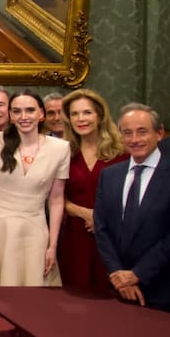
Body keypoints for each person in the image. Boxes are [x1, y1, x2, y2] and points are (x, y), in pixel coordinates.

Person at [0, 91, 70, 287]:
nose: (24, 117)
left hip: (35, 231)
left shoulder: (60, 148)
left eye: (30, 110)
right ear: (10, 114)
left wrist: (52, 246)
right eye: (17, 111)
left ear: (41, 114)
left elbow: (56, 200)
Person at [93, 104, 170, 311]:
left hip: (159, 288)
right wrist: (118, 274)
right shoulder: (110, 175)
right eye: (127, 133)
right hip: (115, 287)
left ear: (159, 133)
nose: (134, 139)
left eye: (142, 132)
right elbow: (101, 226)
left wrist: (137, 274)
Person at [58, 89, 128, 296]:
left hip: (111, 235)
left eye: (87, 112)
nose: (81, 119)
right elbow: (54, 197)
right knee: (73, 298)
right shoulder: (63, 152)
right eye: (75, 114)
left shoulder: (121, 152)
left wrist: (101, 218)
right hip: (74, 235)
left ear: (100, 115)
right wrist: (84, 212)